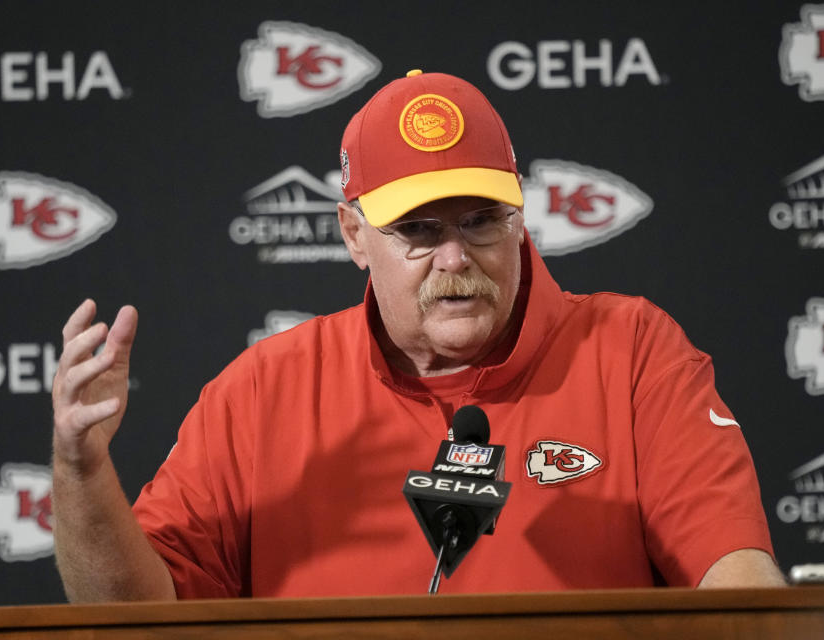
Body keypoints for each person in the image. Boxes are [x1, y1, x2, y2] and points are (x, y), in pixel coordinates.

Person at [51, 70, 786, 602]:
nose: (457, 257)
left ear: (519, 217)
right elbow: (132, 616)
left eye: (480, 220)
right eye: (420, 230)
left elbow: (739, 584)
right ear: (352, 235)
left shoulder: (632, 352)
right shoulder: (262, 390)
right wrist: (83, 475)